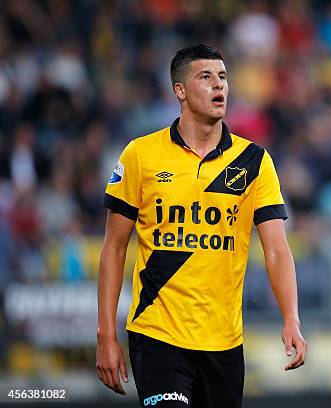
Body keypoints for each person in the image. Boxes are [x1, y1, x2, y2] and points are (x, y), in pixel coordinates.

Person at [96, 44, 306, 407]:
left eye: (223, 77)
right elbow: (114, 247)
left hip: (224, 341)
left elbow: (276, 249)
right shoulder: (140, 155)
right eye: (205, 77)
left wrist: (292, 319)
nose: (218, 86)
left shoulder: (254, 161)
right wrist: (105, 334)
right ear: (180, 90)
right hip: (157, 332)